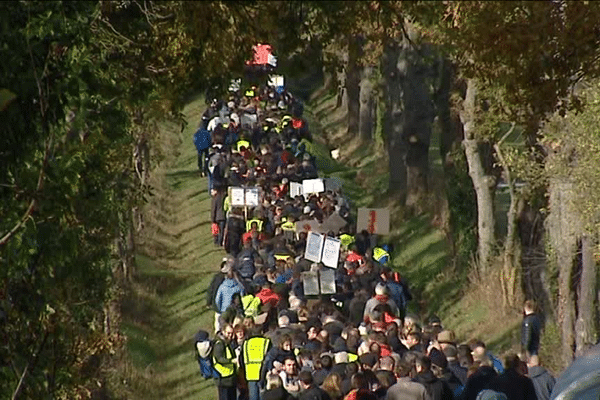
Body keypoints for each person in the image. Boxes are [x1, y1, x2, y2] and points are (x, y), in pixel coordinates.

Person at [241, 331, 271, 400]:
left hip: (250, 374)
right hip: (263, 373)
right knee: (263, 396)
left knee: (253, 397)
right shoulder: (266, 342)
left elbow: (241, 359)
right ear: (262, 332)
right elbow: (269, 358)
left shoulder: (246, 343)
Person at [215, 267, 245, 333]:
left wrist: (220, 309)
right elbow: (243, 295)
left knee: (225, 327)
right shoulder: (238, 285)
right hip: (236, 309)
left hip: (224, 309)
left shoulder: (222, 286)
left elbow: (217, 299)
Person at [213, 324, 238, 400]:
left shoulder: (228, 343)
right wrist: (232, 361)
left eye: (231, 333)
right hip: (223, 379)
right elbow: (219, 359)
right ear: (223, 332)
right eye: (228, 333)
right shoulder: (219, 344)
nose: (230, 335)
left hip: (230, 377)